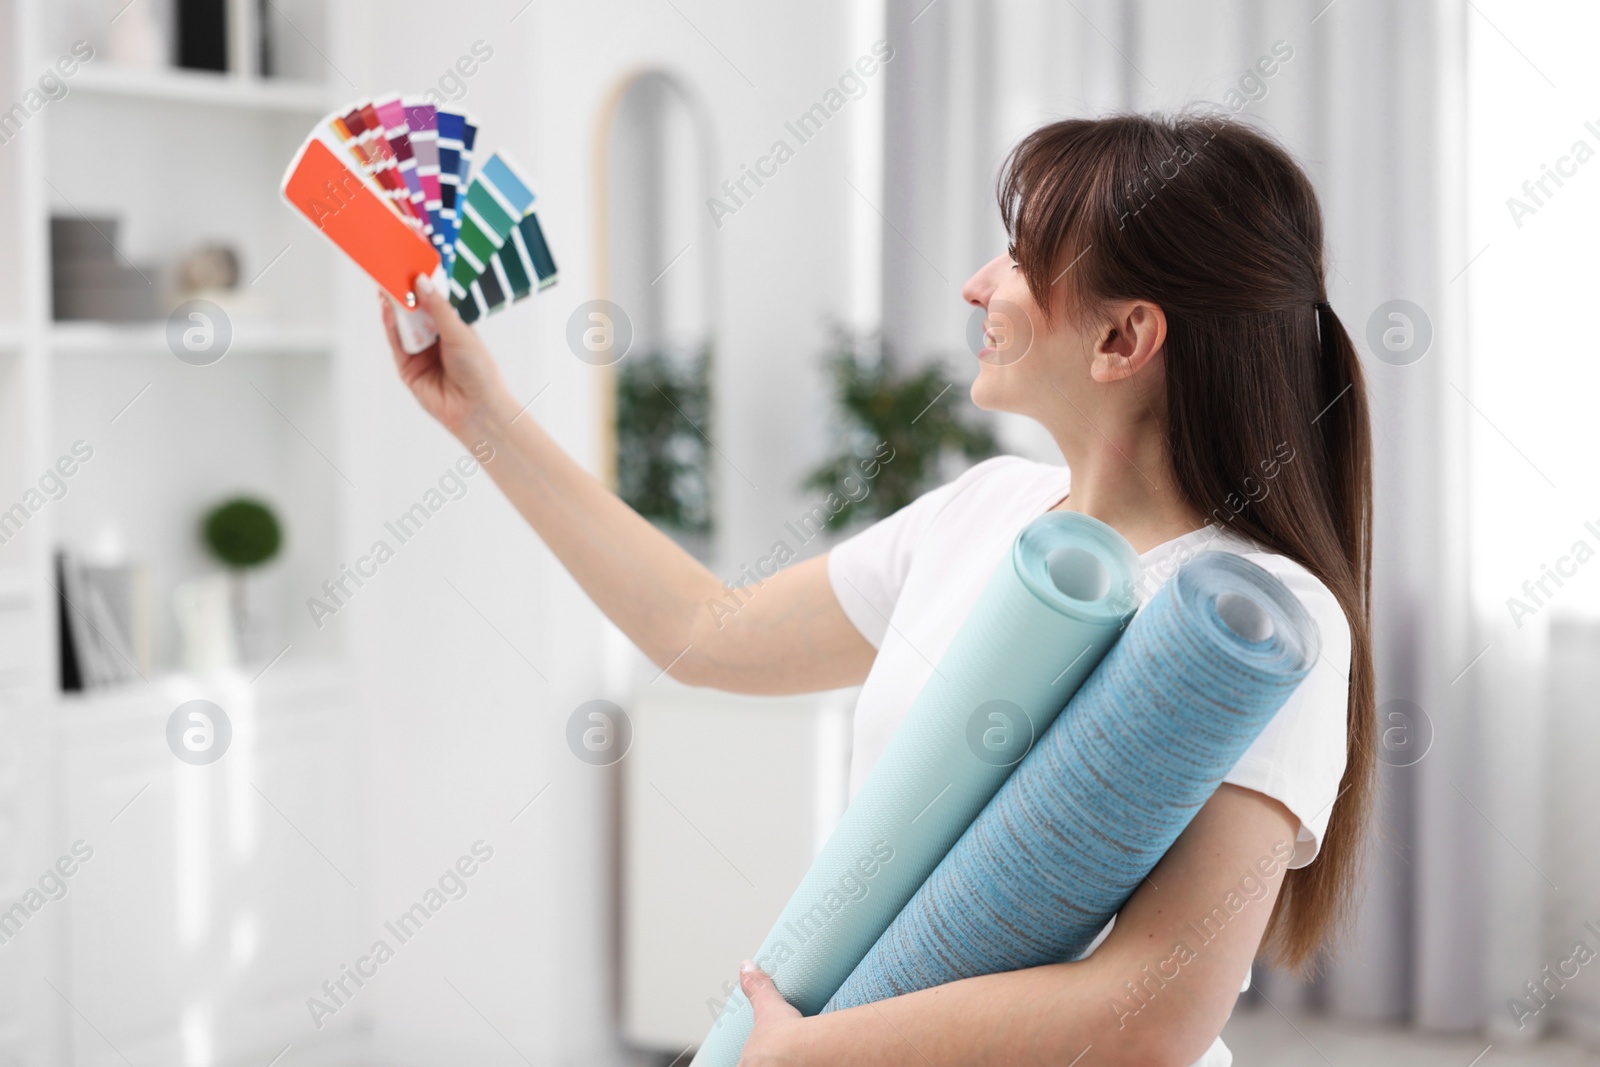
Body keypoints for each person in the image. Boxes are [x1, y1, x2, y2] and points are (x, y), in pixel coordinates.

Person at [380, 112, 1373, 1067]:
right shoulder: (985, 511)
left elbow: (1152, 1013)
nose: (976, 285)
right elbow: (701, 632)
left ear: (1122, 339)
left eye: (1021, 259)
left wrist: (818, 1048)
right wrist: (485, 415)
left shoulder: (1257, 622)